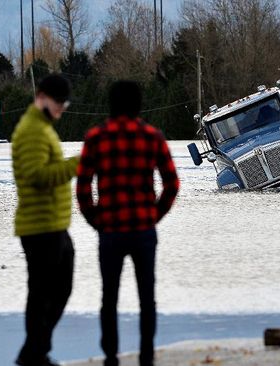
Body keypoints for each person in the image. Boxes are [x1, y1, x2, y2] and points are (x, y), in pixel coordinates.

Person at [76, 80, 180, 366]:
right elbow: (171, 184)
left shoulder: (96, 137)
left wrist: (96, 220)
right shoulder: (152, 136)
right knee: (147, 296)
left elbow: (83, 188)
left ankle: (111, 355)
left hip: (110, 230)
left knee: (109, 297)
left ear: (111, 104)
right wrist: (153, 216)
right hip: (143, 230)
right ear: (138, 104)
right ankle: (146, 354)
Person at [11, 74, 79, 366]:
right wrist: (79, 163)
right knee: (42, 292)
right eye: (58, 103)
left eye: (64, 104)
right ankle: (34, 353)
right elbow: (37, 176)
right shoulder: (32, 131)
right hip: (39, 227)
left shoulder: (43, 128)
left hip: (53, 224)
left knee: (59, 287)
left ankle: (36, 349)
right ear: (41, 98)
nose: (61, 109)